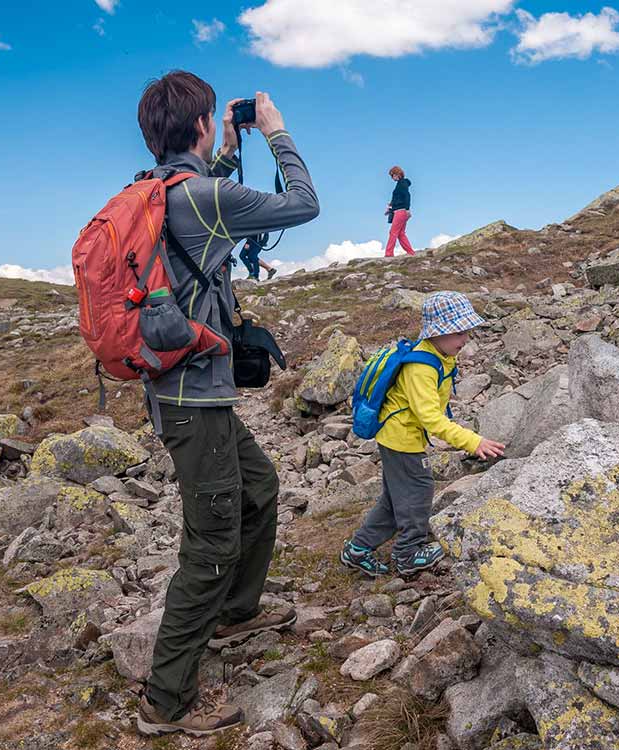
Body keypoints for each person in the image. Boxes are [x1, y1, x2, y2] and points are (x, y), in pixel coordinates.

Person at [134, 72, 319, 738]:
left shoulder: (156, 190)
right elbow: (304, 204)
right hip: (193, 401)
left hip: (181, 390)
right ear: (203, 125)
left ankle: (239, 613)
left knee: (260, 488)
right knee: (211, 542)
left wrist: (231, 142)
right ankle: (166, 700)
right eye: (214, 120)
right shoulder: (203, 197)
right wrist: (275, 131)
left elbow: (213, 193)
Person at [341, 291, 506, 577]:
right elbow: (429, 417)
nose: (464, 339)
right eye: (458, 332)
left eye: (466, 331)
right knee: (418, 491)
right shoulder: (421, 366)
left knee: (395, 500)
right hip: (401, 439)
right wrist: (473, 441)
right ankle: (408, 553)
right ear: (437, 333)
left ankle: (358, 549)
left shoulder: (438, 354)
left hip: (399, 437)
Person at [384, 166, 415, 257]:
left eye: (392, 175)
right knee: (400, 233)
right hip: (400, 211)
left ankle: (389, 253)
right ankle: (411, 252)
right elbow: (397, 199)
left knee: (393, 232)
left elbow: (407, 196)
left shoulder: (402, 183)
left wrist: (407, 209)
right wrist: (390, 207)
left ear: (397, 174)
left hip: (401, 211)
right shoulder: (400, 184)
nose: (392, 178)